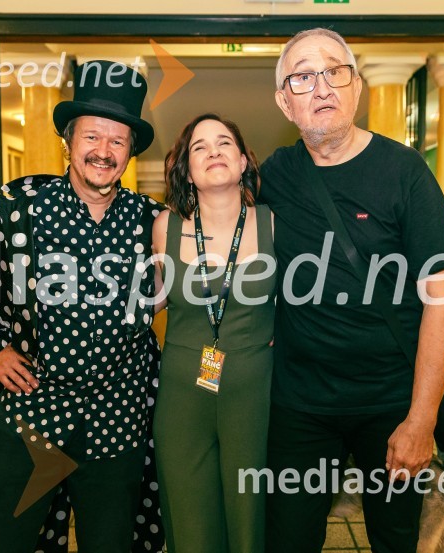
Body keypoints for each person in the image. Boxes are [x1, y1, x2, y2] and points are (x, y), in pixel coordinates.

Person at [259, 28, 444, 552]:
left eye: (335, 71)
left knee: (397, 542)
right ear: (286, 103)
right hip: (299, 406)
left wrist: (421, 421)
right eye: (304, 77)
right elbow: (208, 208)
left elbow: (442, 304)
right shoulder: (274, 176)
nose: (322, 86)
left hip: (390, 404)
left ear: (356, 88)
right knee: (286, 540)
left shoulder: (404, 172)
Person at [0, 60, 164, 553]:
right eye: (91, 137)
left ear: (130, 151)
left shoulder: (152, 221)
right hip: (35, 411)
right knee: (7, 538)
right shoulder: (19, 206)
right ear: (68, 141)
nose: (103, 152)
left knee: (110, 541)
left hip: (118, 411)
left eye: (117, 141)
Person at [151, 113, 276, 553]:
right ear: (187, 168)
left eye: (224, 143)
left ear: (243, 161)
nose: (213, 152)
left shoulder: (273, 223)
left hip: (255, 392)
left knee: (250, 513)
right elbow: (151, 301)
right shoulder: (165, 227)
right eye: (199, 147)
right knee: (189, 517)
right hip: (183, 391)